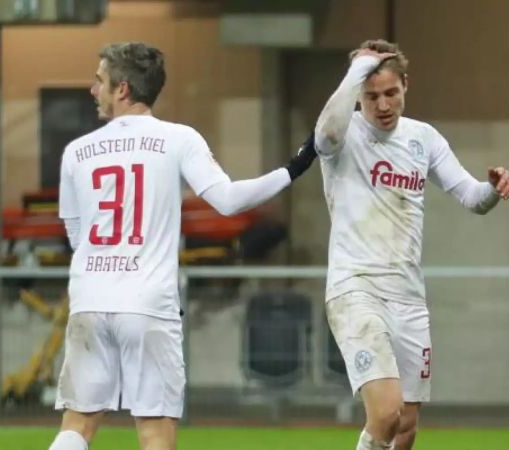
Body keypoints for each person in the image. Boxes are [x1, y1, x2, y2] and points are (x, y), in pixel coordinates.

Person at [48, 42, 317, 450]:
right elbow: (228, 201)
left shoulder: (77, 152)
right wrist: (293, 168)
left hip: (90, 299)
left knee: (77, 425)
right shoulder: (177, 139)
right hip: (147, 302)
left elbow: (75, 235)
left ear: (123, 89)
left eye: (99, 80)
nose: (92, 89)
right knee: (155, 432)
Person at [314, 39, 509, 450]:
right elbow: (324, 135)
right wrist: (356, 71)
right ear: (358, 96)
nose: (383, 105)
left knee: (405, 427)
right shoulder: (345, 133)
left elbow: (472, 197)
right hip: (356, 288)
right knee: (385, 413)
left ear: (406, 84)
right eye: (371, 97)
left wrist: (494, 189)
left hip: (407, 296)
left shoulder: (423, 138)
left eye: (391, 93)